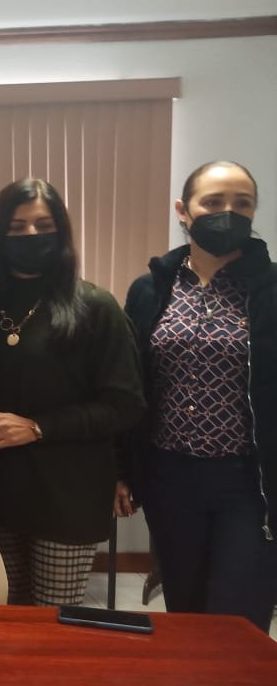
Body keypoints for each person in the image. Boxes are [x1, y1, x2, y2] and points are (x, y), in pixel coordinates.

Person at [0, 178, 144, 607]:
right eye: (17, 227)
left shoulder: (95, 308)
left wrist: (38, 427)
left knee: (53, 624)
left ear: (61, 231)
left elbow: (125, 404)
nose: (31, 235)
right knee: (1, 618)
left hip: (69, 495)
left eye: (43, 225)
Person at [119, 160, 277, 632]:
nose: (227, 213)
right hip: (170, 478)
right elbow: (132, 386)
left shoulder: (270, 289)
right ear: (183, 211)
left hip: (249, 484)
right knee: (186, 617)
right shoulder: (150, 289)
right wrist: (123, 469)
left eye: (242, 204)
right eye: (212, 202)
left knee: (238, 621)